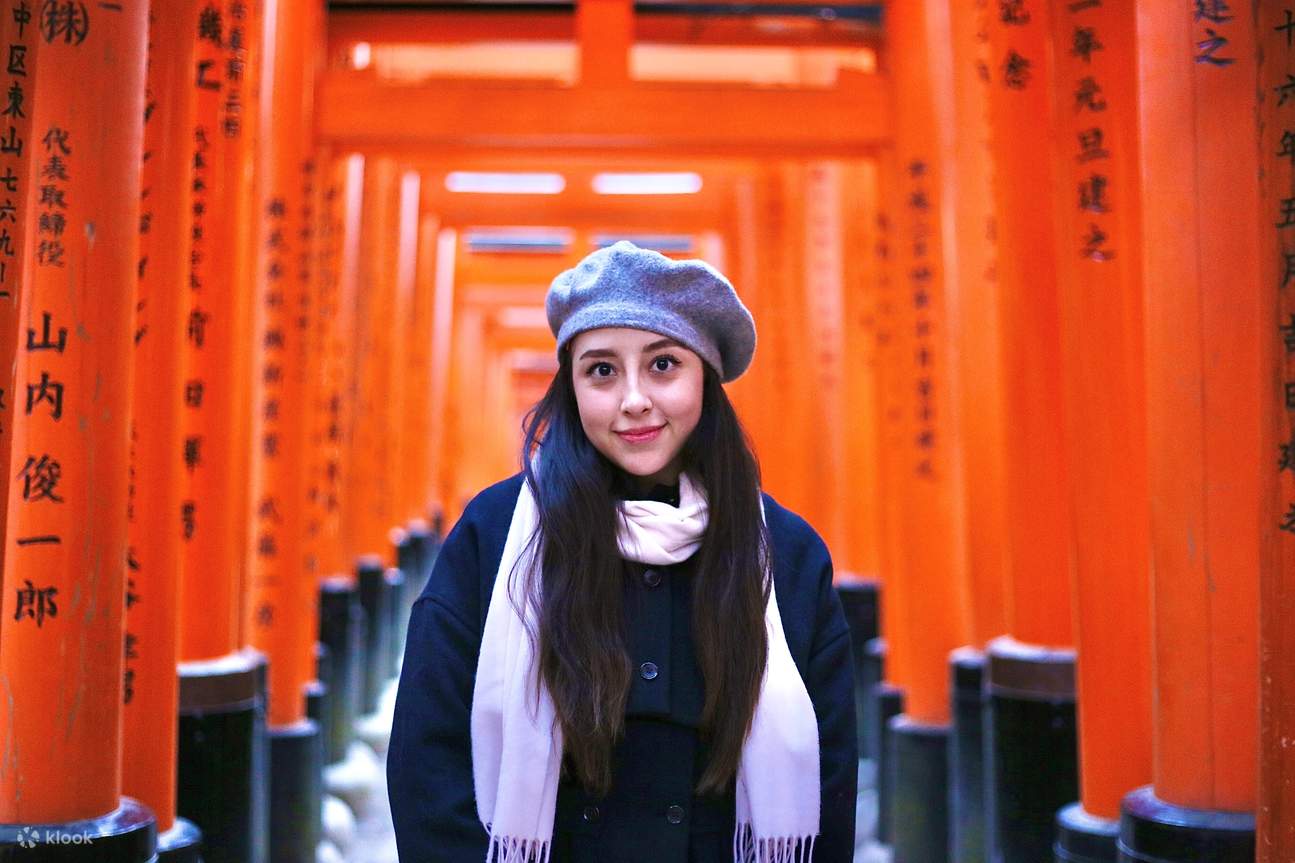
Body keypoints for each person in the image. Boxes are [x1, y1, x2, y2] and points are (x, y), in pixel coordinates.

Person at [387, 241, 858, 863]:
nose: (634, 399)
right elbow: (428, 759)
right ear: (572, 387)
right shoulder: (496, 536)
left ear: (705, 378)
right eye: (602, 371)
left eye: (663, 365)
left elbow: (829, 776)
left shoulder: (784, 552)